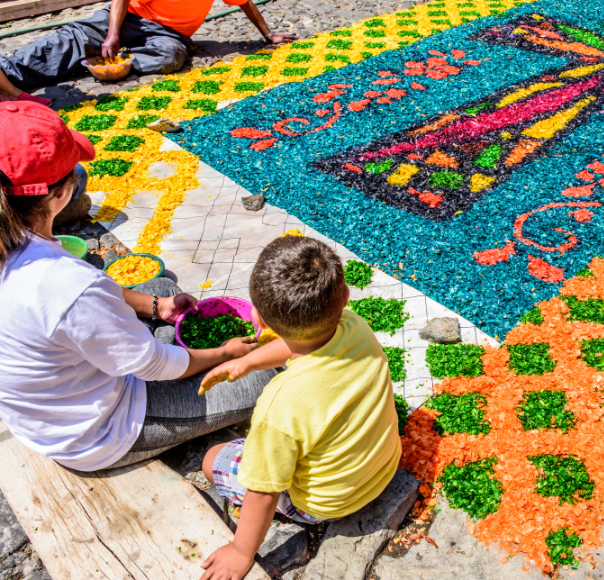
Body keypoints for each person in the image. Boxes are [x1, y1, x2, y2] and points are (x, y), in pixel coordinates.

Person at [0, 100, 277, 470]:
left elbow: (89, 296)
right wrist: (227, 354)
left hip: (50, 404)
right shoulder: (65, 285)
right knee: (265, 378)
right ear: (63, 193)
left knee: (161, 288)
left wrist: (154, 307)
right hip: (94, 433)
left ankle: (161, 320)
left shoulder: (30, 256)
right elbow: (155, 365)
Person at [198, 236, 401, 580]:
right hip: (383, 469)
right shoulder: (355, 326)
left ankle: (291, 519)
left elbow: (264, 489)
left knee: (211, 458)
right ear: (345, 297)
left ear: (258, 319)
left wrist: (240, 552)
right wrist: (249, 362)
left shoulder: (280, 406)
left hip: (328, 504)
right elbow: (299, 345)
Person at [0, 0, 295, 102]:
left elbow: (245, 3)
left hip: (169, 34)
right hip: (129, 16)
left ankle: (112, 62)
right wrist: (114, 33)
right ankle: (9, 73)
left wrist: (268, 35)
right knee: (73, 37)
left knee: (172, 57)